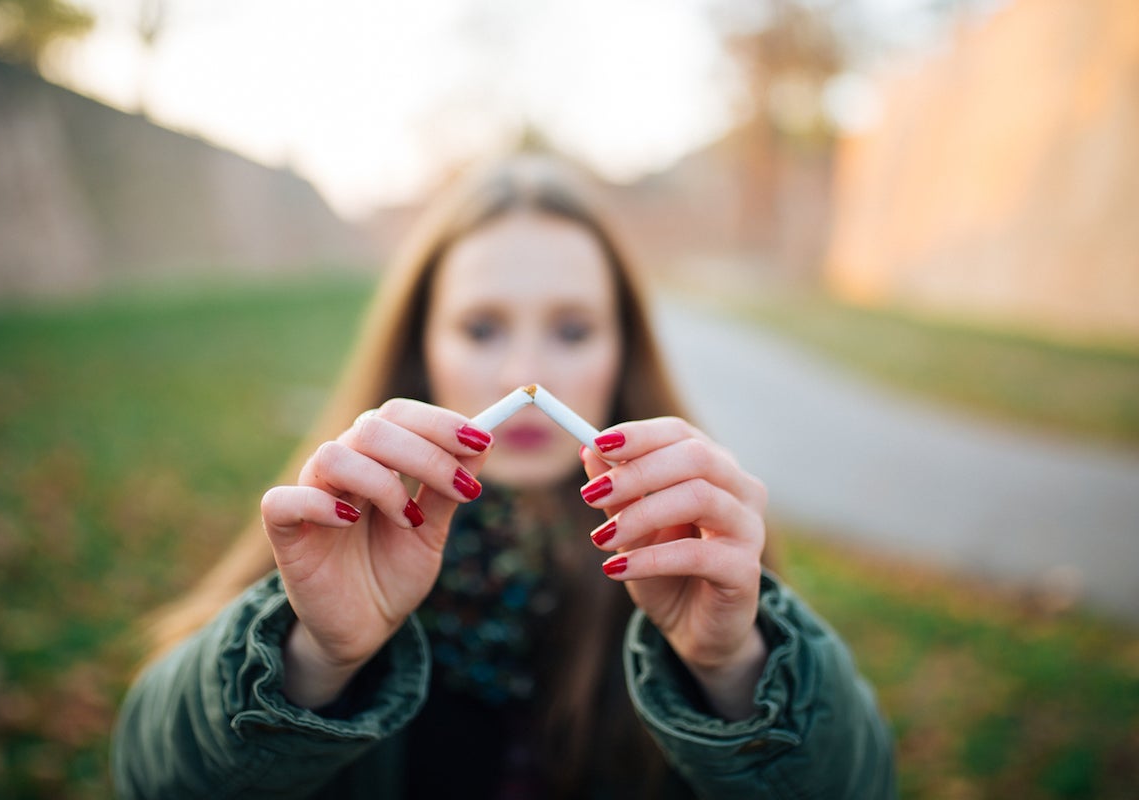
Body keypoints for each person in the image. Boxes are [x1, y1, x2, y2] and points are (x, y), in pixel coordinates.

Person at [111, 152, 896, 798]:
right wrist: (311, 657)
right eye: (482, 327)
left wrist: (734, 669)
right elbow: (150, 777)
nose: (526, 375)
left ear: (622, 348)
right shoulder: (342, 531)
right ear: (424, 345)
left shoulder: (687, 543)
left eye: (573, 328)